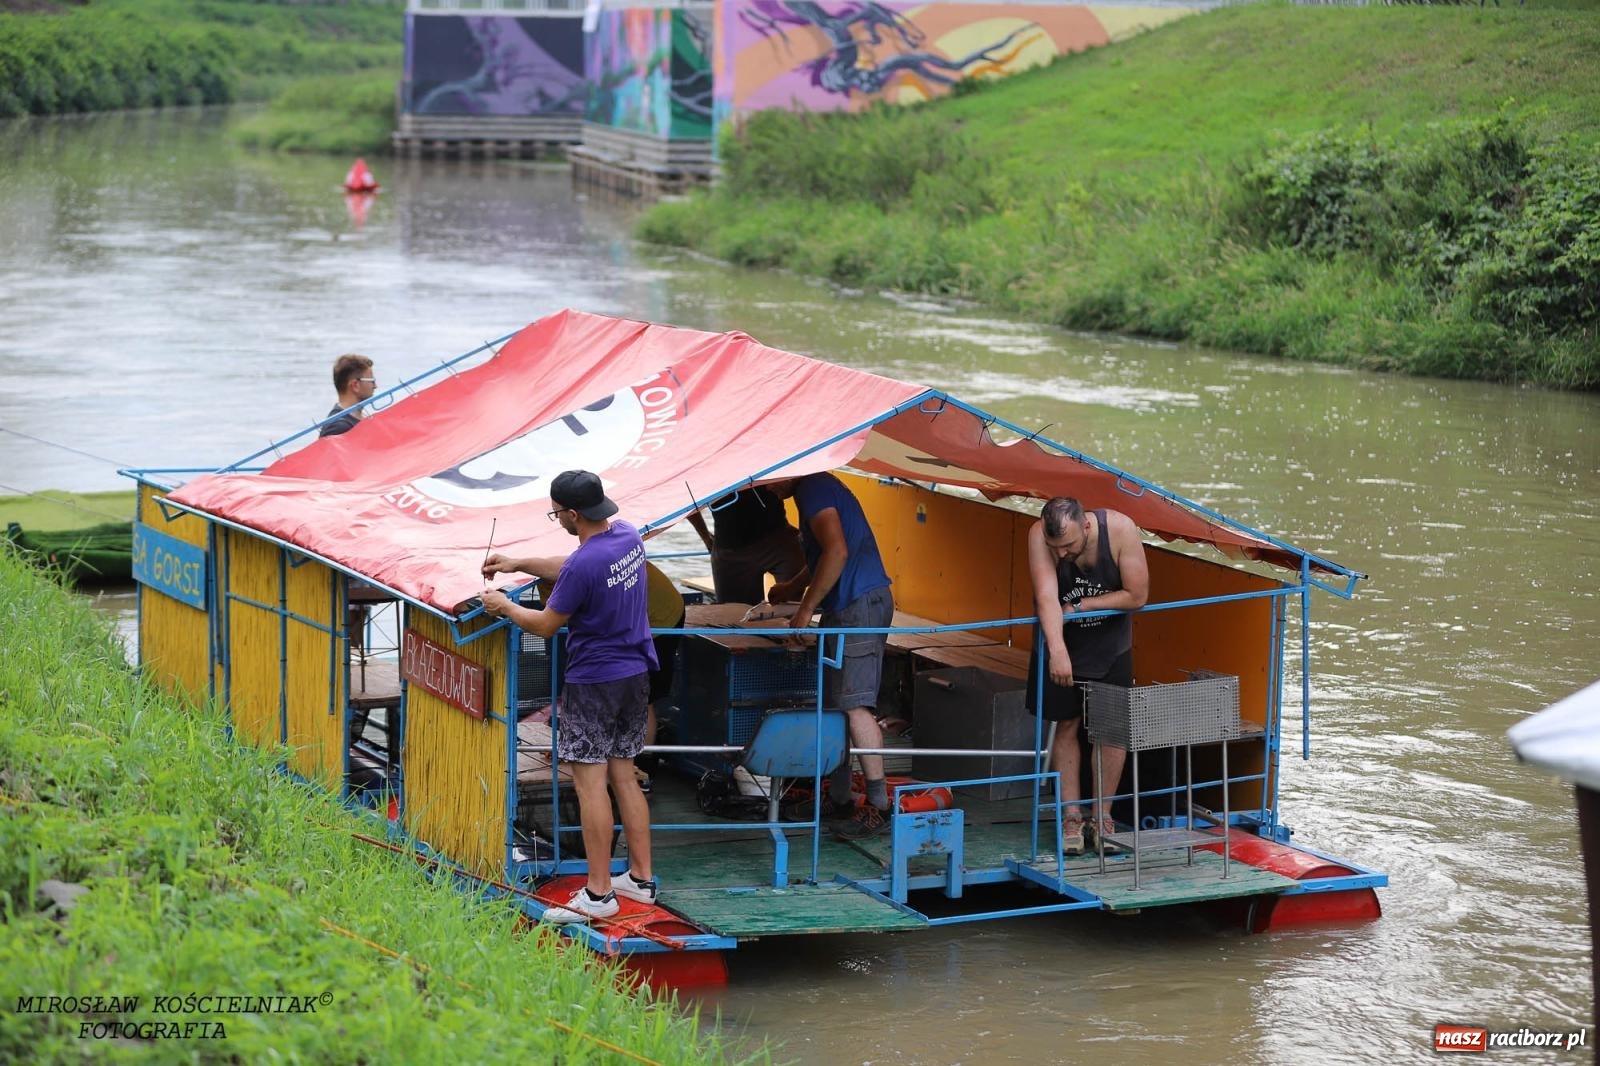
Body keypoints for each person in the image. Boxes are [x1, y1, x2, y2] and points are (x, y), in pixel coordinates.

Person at [481, 470, 658, 924]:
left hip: (594, 681)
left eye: (557, 512)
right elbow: (576, 566)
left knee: (589, 784)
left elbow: (544, 625)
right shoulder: (626, 536)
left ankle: (599, 896)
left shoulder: (586, 563)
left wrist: (505, 605)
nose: (556, 518)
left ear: (572, 513)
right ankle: (640, 879)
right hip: (635, 674)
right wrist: (518, 562)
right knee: (624, 775)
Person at [767, 472, 895, 841]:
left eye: (770, 480)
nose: (768, 489)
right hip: (846, 606)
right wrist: (793, 587)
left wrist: (805, 609)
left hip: (860, 604)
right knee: (835, 704)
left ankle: (878, 806)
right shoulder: (811, 491)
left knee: (855, 705)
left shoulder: (814, 488)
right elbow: (826, 552)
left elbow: (837, 551)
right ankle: (839, 798)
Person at [1026, 496, 1150, 856]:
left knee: (1111, 733)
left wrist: (1082, 606)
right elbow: (1047, 598)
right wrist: (1057, 650)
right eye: (1055, 548)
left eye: (1069, 546)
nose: (1062, 554)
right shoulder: (1039, 537)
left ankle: (1103, 817)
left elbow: (1138, 595)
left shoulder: (1122, 529)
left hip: (1110, 645)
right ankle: (1071, 818)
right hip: (1062, 639)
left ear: (1087, 526)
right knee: (1065, 725)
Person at [686, 486, 806, 606]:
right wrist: (705, 537)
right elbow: (686, 498)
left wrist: (805, 531)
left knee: (791, 606)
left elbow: (795, 483)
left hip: (778, 537)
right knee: (735, 616)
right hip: (730, 548)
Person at [319, 353, 377, 437]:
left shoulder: (361, 417)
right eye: (372, 381)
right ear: (355, 385)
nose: (375, 386)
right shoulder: (337, 428)